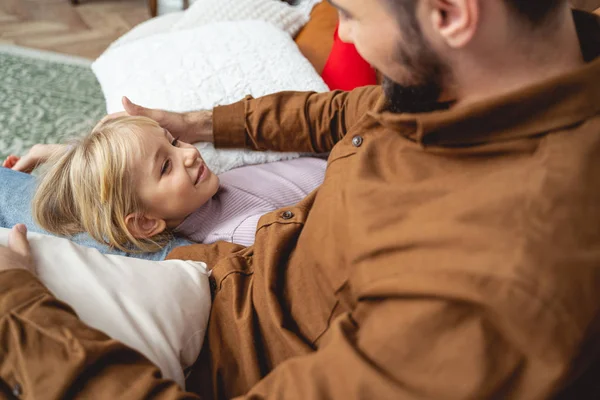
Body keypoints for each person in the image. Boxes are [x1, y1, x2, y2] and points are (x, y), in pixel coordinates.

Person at [1, 0, 599, 398]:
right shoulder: (482, 81)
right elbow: (346, 111)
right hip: (235, 262)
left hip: (218, 321)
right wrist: (196, 122)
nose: (343, 35)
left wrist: (17, 311)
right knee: (27, 188)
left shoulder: (485, 289)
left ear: (449, 14)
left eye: (350, 13)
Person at [3, 116, 325, 253]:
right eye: (166, 165)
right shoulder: (238, 232)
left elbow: (119, 175)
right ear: (145, 222)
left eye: (174, 141)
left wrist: (49, 153)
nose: (189, 153)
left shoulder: (197, 194)